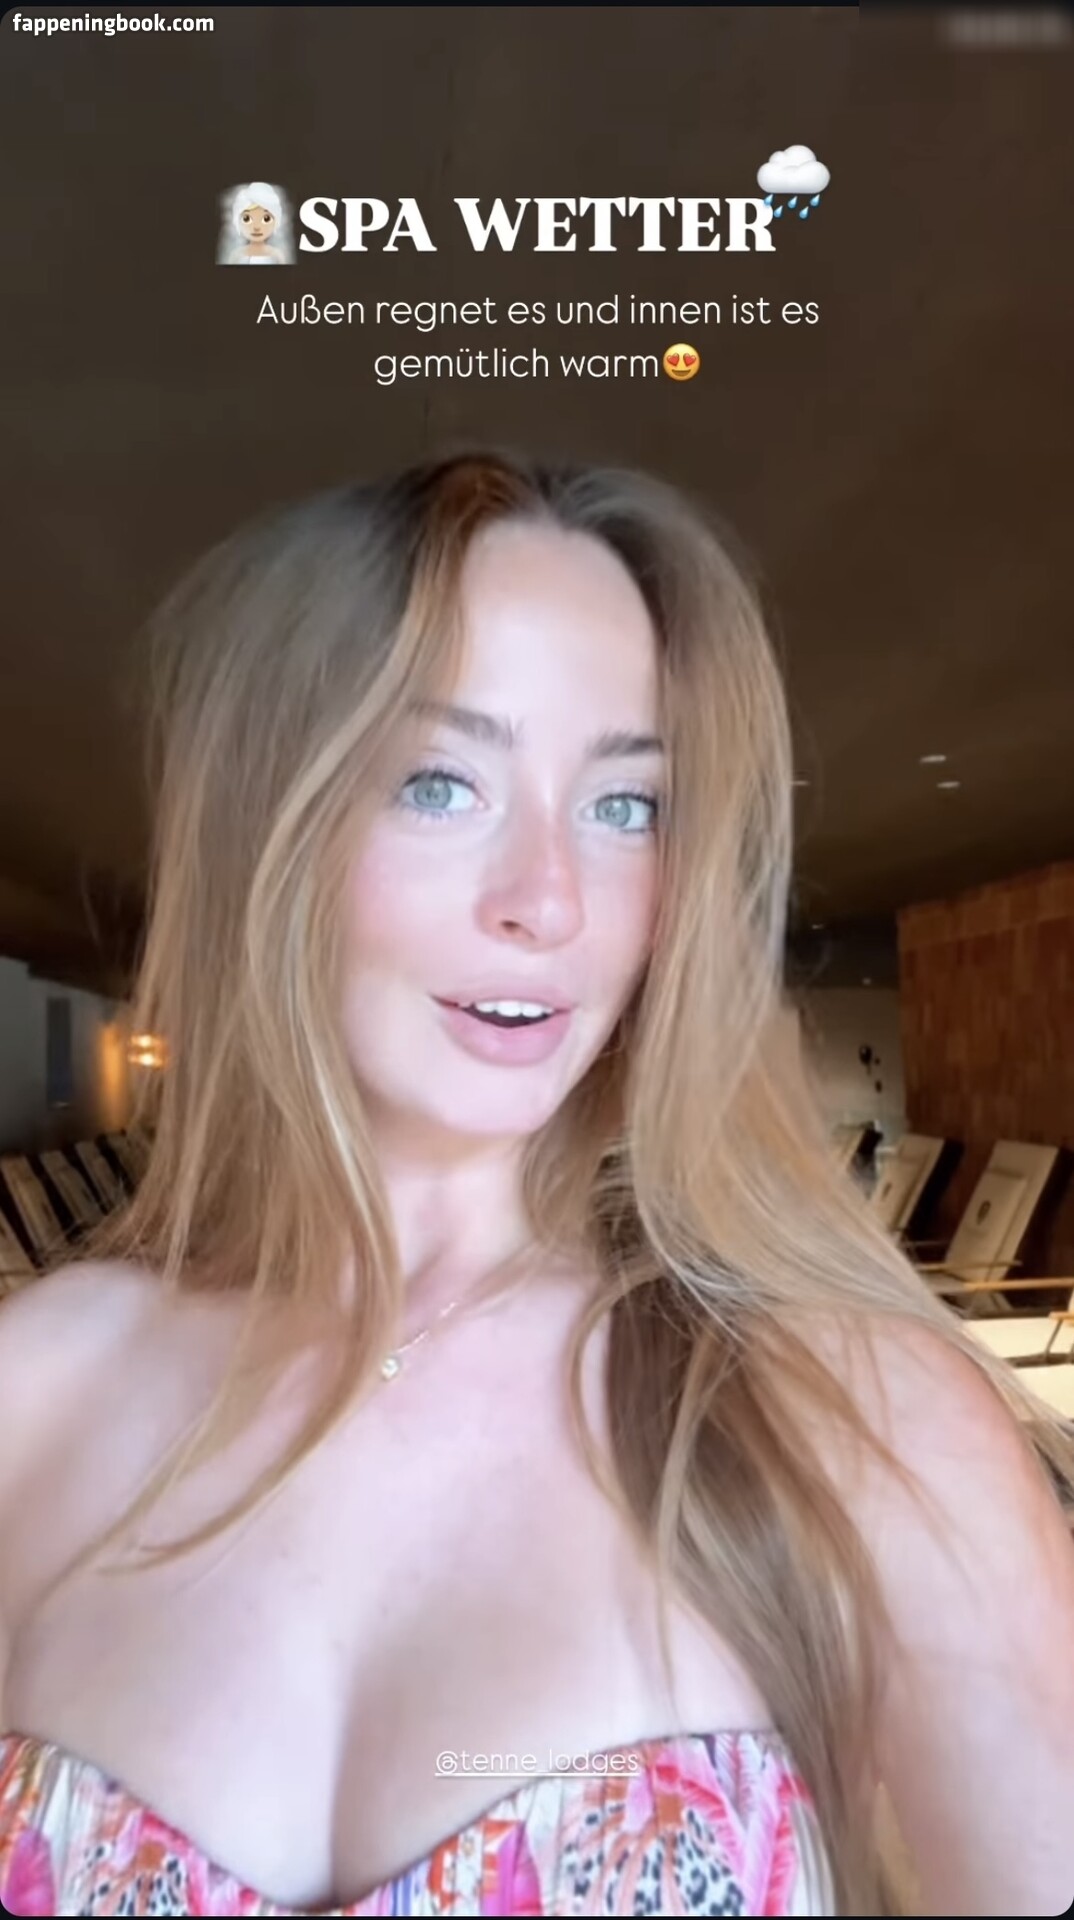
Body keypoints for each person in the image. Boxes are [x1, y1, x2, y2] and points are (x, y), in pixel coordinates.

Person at [0, 449, 1071, 1918]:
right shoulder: (38, 1387)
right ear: (268, 826)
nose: (551, 899)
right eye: (441, 783)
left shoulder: (856, 1419)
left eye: (627, 807)